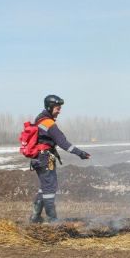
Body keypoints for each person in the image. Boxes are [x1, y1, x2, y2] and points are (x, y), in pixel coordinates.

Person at [29, 94, 91, 223]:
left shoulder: (40, 119)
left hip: (39, 157)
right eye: (57, 108)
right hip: (45, 158)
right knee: (50, 188)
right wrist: (80, 153)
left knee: (45, 187)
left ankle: (35, 217)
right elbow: (63, 142)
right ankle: (52, 220)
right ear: (50, 107)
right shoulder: (48, 123)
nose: (59, 111)